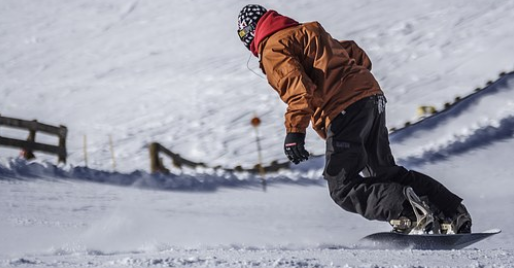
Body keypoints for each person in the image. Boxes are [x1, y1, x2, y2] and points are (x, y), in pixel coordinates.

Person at [237, 4, 472, 234]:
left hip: (344, 109)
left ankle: (409, 213)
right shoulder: (307, 31)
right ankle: (452, 214)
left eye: (242, 35)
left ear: (249, 32)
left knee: (342, 185)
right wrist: (354, 82)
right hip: (371, 98)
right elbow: (354, 52)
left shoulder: (273, 47)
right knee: (383, 173)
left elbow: (299, 90)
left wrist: (295, 132)